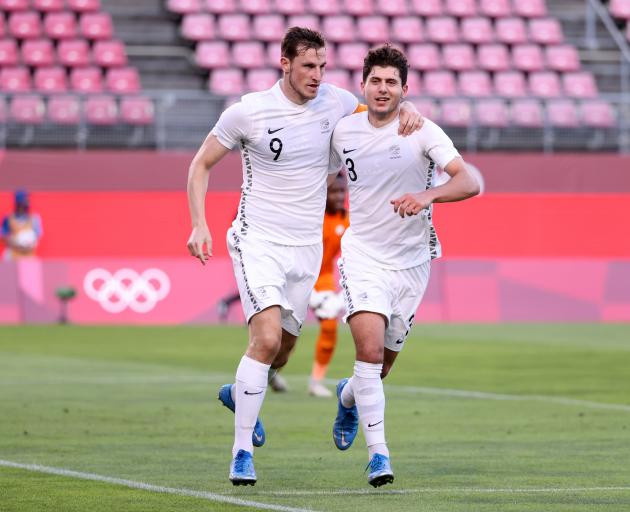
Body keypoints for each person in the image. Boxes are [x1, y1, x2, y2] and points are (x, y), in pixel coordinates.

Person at [186, 27, 423, 486]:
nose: (317, 75)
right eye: (308, 66)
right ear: (285, 63)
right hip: (257, 240)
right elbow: (201, 164)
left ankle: (242, 392)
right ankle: (240, 455)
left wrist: (406, 107)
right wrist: (199, 223)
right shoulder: (249, 112)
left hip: (306, 247)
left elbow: (379, 112)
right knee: (267, 339)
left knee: (284, 349)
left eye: (322, 66)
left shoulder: (334, 102)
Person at [328, 44, 480, 487]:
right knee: (369, 353)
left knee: (382, 367)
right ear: (363, 85)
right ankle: (379, 457)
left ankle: (348, 395)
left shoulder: (422, 129)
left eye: (391, 82)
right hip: (362, 257)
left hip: (412, 263)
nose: (382, 88)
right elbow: (314, 171)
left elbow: (468, 180)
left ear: (404, 89)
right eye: (375, 80)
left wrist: (427, 196)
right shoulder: (343, 131)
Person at [307, 173, 349, 397]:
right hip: (299, 276)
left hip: (323, 280)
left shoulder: (346, 220)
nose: (339, 196)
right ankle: (271, 372)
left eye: (342, 191)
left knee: (330, 327)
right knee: (284, 334)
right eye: (334, 191)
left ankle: (315, 382)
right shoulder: (311, 216)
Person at [1, 190, 43, 261]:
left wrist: (29, 244)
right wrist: (15, 243)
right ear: (17, 203)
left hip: (29, 255)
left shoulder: (34, 218)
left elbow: (38, 236)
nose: (27, 203)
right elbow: (3, 236)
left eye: (27, 200)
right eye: (24, 201)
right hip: (13, 255)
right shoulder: (8, 218)